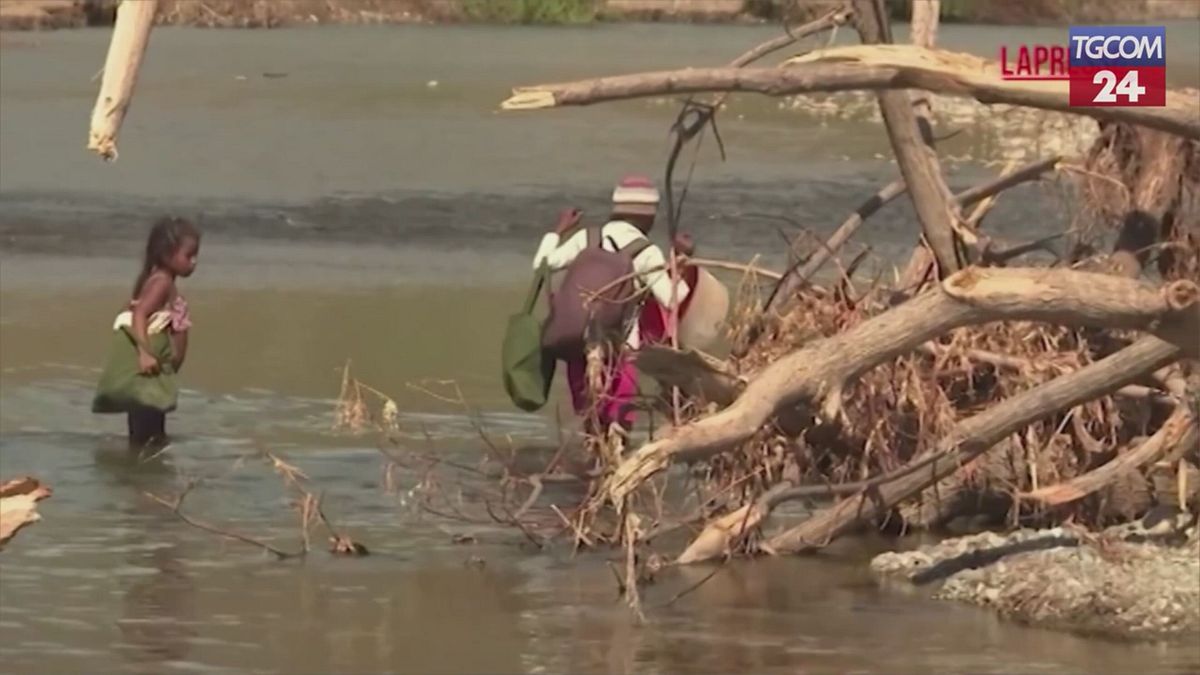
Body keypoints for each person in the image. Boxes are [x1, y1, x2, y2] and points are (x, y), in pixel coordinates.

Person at [531, 175, 690, 435]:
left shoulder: (586, 237)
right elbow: (674, 299)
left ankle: (592, 463)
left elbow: (542, 265)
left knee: (590, 422)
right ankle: (615, 466)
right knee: (618, 423)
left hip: (578, 344)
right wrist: (682, 258)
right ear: (649, 217)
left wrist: (558, 230)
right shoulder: (645, 251)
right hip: (620, 350)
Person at [92, 217, 200, 448]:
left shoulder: (165, 283)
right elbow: (139, 314)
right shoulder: (161, 283)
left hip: (155, 374)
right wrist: (144, 353)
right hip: (148, 372)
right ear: (167, 254)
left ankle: (141, 475)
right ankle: (143, 478)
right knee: (150, 435)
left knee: (149, 432)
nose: (194, 262)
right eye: (188, 255)